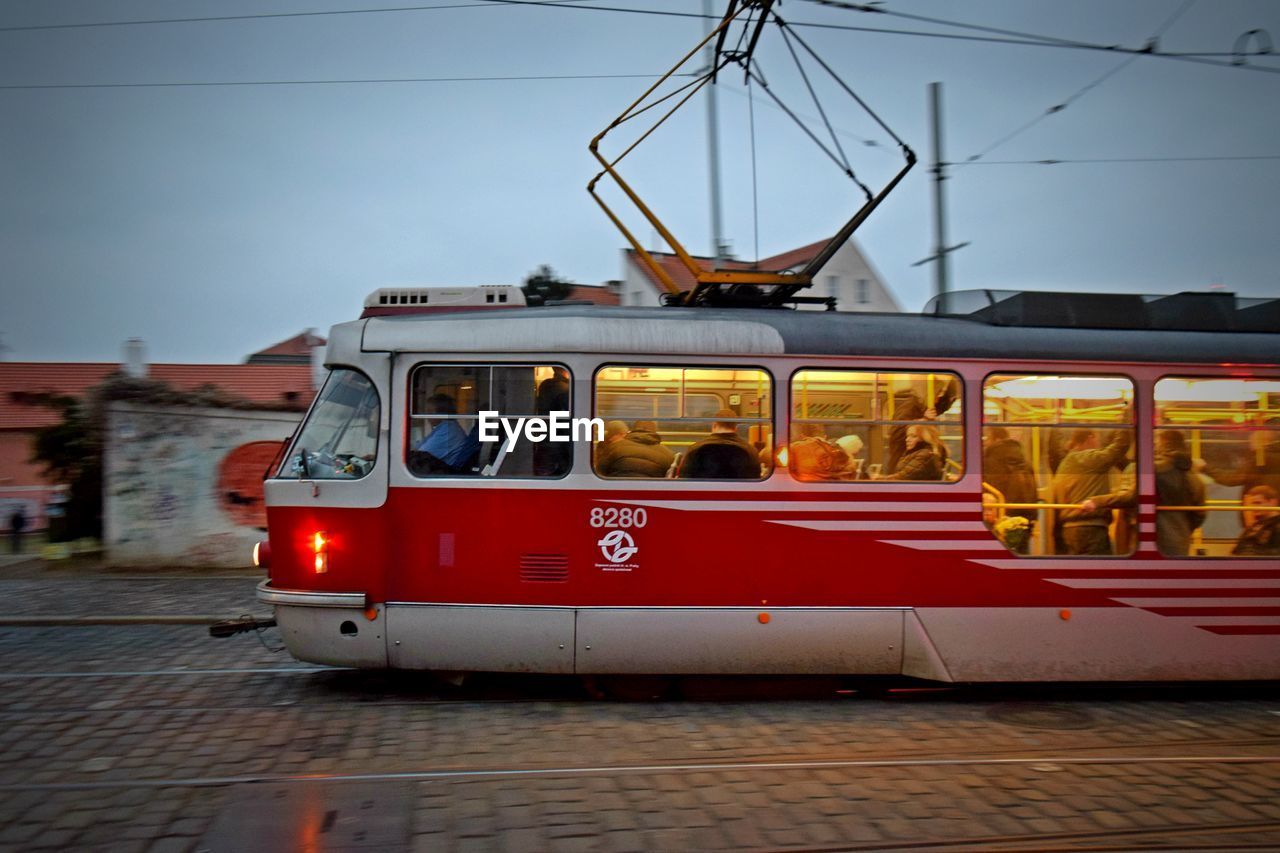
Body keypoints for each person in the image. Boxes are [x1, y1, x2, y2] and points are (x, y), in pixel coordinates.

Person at [1052, 427, 1132, 555]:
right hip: (1091, 529)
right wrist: (1126, 418)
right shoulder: (1087, 458)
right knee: (1099, 573)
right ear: (1090, 438)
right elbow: (1120, 447)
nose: (1098, 446)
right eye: (1097, 440)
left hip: (1069, 530)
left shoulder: (1064, 463)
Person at [886, 378, 958, 475]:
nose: (938, 398)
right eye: (938, 394)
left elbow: (940, 406)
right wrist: (925, 421)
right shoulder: (909, 409)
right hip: (901, 468)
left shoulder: (922, 407)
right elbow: (898, 434)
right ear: (928, 394)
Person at [1153, 429, 1206, 556]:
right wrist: (1185, 527)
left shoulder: (1154, 471)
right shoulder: (1195, 478)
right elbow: (1200, 513)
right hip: (1181, 538)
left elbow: (1133, 497)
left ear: (1164, 445)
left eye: (1157, 443)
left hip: (1155, 536)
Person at [411, 393, 480, 475]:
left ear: (441, 413)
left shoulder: (447, 430)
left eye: (430, 412)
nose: (427, 416)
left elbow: (420, 457)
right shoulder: (443, 427)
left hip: (448, 472)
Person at [679, 409, 760, 479]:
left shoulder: (694, 449)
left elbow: (684, 478)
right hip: (737, 496)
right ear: (735, 428)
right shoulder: (750, 450)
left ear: (714, 425)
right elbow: (755, 477)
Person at [982, 427, 1038, 522]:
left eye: (988, 438)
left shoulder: (989, 461)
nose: (985, 442)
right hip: (1026, 513)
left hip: (1001, 513)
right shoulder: (1025, 462)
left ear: (997, 440)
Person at [599, 421, 675, 478]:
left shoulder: (615, 446)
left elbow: (600, 471)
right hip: (649, 493)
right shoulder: (668, 453)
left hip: (616, 490)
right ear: (655, 432)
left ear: (633, 430)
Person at [533, 369, 572, 477]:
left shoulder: (545, 386)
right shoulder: (564, 390)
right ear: (565, 372)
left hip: (543, 444)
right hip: (557, 449)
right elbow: (567, 425)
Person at [880, 423, 947, 481]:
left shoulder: (925, 455)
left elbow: (903, 477)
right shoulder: (914, 452)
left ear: (924, 438)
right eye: (907, 436)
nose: (907, 440)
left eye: (913, 436)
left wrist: (881, 478)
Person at [1233, 484, 1280, 556]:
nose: (1253, 507)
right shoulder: (1253, 526)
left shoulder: (1277, 527)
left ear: (1272, 502)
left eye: (1258, 503)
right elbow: (1236, 552)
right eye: (1252, 504)